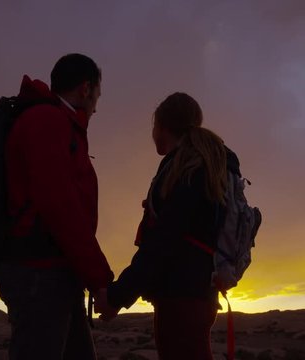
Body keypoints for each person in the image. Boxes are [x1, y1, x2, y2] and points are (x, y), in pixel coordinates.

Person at [94, 92, 242, 360]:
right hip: (197, 294)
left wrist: (117, 295)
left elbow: (162, 243)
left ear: (162, 127)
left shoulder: (186, 170)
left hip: (181, 297)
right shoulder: (206, 166)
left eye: (154, 126)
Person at [0, 53, 114, 360]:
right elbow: (60, 207)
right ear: (86, 89)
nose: (97, 106)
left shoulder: (58, 124)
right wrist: (100, 279)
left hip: (55, 274)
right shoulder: (47, 122)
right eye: (98, 94)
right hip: (40, 276)